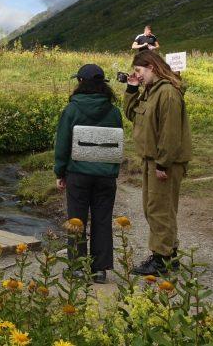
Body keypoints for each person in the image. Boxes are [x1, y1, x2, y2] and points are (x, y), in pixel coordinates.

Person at [54, 63, 123, 284]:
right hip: (105, 175)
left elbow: (62, 143)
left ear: (81, 83)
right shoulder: (113, 111)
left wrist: (60, 171)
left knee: (77, 219)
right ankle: (99, 270)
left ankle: (75, 267)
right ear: (103, 85)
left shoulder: (72, 109)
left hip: (78, 173)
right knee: (102, 219)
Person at [124, 50, 192, 276]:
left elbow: (170, 133)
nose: (138, 75)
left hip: (163, 163)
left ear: (151, 67)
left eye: (139, 71)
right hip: (151, 160)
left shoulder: (168, 93)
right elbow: (132, 114)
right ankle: (168, 255)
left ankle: (161, 260)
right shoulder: (150, 91)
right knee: (154, 208)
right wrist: (132, 89)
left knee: (159, 209)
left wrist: (163, 163)